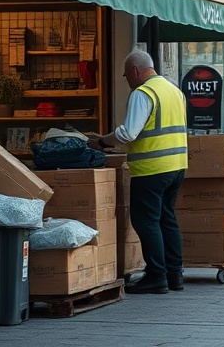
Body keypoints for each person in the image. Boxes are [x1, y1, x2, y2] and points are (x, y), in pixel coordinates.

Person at [88, 49, 187, 295]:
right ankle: (175, 275)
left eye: (126, 76)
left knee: (146, 221)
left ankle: (156, 275)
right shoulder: (174, 90)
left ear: (135, 71)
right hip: (176, 167)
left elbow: (128, 133)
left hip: (151, 169)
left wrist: (102, 142)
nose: (128, 81)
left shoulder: (143, 93)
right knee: (167, 219)